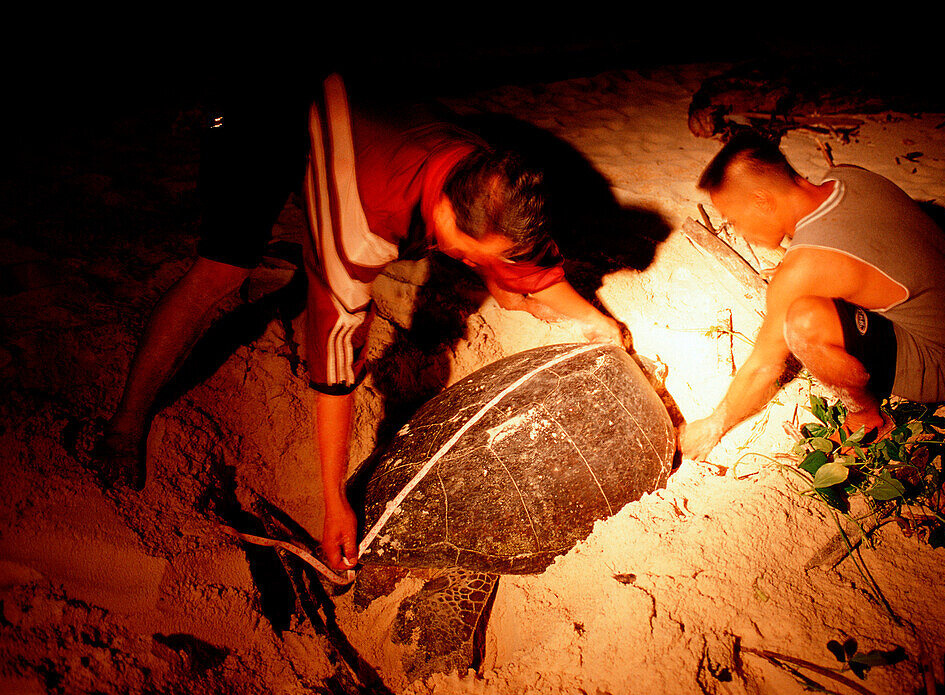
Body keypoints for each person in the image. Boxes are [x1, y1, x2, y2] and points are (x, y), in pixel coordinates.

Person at [304, 73, 624, 571]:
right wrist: (333, 503)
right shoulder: (363, 224)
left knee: (501, 271)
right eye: (475, 259)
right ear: (447, 219)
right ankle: (130, 416)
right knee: (222, 266)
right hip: (300, 113)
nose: (484, 268)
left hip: (401, 118)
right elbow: (334, 358)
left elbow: (521, 263)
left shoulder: (485, 172)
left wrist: (595, 319)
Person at [679, 131, 945, 461]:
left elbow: (764, 366)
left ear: (762, 200)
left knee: (803, 322)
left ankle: (866, 419)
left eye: (733, 219)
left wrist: (712, 425)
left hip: (944, 364)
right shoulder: (847, 176)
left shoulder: (802, 270)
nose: (735, 229)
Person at [101, 72, 314, 491]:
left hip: (312, 114)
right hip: (257, 118)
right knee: (220, 271)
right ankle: (125, 424)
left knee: (330, 252)